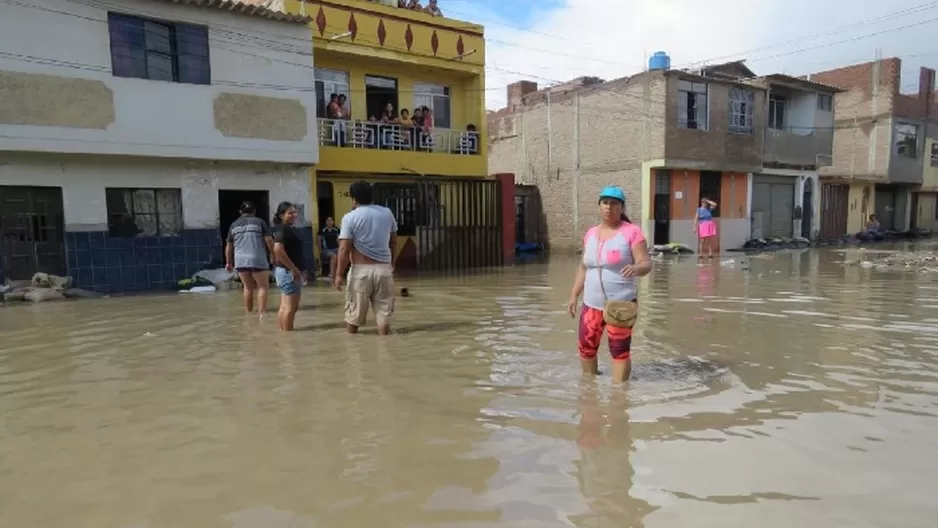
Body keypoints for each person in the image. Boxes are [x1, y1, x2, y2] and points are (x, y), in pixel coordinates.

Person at [567, 186, 652, 382]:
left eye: (614, 203)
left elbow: (646, 263)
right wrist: (573, 296)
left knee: (619, 350)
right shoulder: (590, 234)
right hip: (591, 304)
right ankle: (590, 388)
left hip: (621, 304)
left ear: (621, 208)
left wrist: (636, 268)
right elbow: (583, 268)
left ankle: (619, 395)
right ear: (599, 206)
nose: (609, 207)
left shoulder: (632, 232)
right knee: (586, 347)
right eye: (605, 202)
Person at [334, 181, 398, 335]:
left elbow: (344, 248)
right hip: (384, 270)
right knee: (384, 317)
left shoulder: (349, 217)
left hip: (360, 272)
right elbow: (393, 241)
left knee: (353, 316)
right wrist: (391, 264)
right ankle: (385, 350)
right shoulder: (387, 213)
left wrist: (338, 275)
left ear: (354, 198)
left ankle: (352, 351)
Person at [225, 201, 273, 314]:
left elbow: (229, 246)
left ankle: (249, 313)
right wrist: (274, 254)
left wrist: (228, 262)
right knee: (262, 287)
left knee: (247, 287)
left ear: (240, 212)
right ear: (254, 211)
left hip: (240, 261)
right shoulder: (260, 222)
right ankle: (262, 314)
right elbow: (269, 241)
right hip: (258, 259)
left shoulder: (234, 225)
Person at [271, 202, 307, 331]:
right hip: (289, 273)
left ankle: (283, 335)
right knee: (291, 309)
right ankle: (288, 338)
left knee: (285, 307)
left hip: (284, 272)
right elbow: (278, 250)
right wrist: (294, 269)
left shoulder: (285, 229)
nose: (294, 215)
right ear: (281, 215)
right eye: (290, 213)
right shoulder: (283, 229)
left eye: (295, 212)